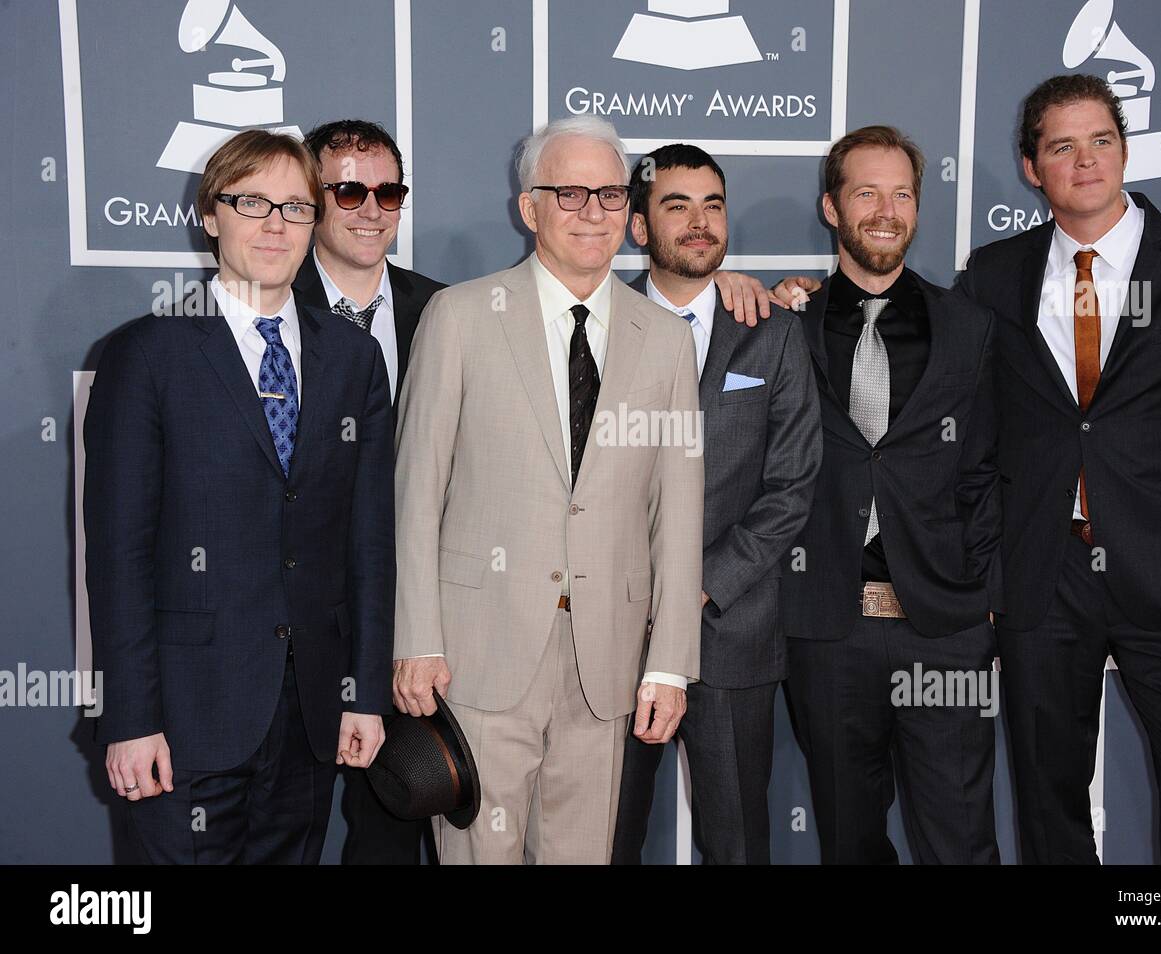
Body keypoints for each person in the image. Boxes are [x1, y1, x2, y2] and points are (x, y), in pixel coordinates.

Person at [953, 74, 1161, 864]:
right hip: (1043, 576)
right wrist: (993, 565)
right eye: (1061, 147)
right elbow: (969, 433)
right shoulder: (995, 276)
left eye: (1100, 140)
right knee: (1050, 809)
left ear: (1126, 150)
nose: (1085, 161)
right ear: (1033, 168)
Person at [392, 116, 704, 864]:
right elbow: (416, 489)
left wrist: (669, 661)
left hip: (608, 663)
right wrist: (417, 639)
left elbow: (679, 507)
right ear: (529, 208)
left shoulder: (663, 339)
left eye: (607, 193)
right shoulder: (461, 317)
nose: (591, 211)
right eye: (569, 193)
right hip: (476, 655)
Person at [84, 130, 395, 864]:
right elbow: (119, 556)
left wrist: (366, 692)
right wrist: (130, 717)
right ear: (210, 214)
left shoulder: (354, 358)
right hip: (183, 721)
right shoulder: (145, 354)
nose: (276, 224)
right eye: (252, 202)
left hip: (310, 716)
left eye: (295, 205)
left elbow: (370, 543)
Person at [780, 126, 1001, 864]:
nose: (886, 209)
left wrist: (982, 605)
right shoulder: (783, 325)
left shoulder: (969, 327)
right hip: (826, 631)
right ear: (831, 206)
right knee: (848, 840)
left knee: (961, 838)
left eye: (902, 193)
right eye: (866, 191)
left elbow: (989, 470)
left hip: (943, 632)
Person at [611, 144, 821, 864]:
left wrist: (697, 585)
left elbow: (791, 486)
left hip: (730, 630)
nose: (700, 223)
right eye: (677, 205)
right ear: (640, 227)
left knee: (738, 846)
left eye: (712, 205)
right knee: (604, 840)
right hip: (613, 635)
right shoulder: (597, 327)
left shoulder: (773, 331)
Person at [295, 118, 445, 866]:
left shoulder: (447, 310)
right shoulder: (259, 306)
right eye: (349, 188)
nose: (371, 208)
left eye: (389, 191)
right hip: (298, 626)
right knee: (283, 828)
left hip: (414, 623)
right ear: (311, 196)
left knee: (391, 834)